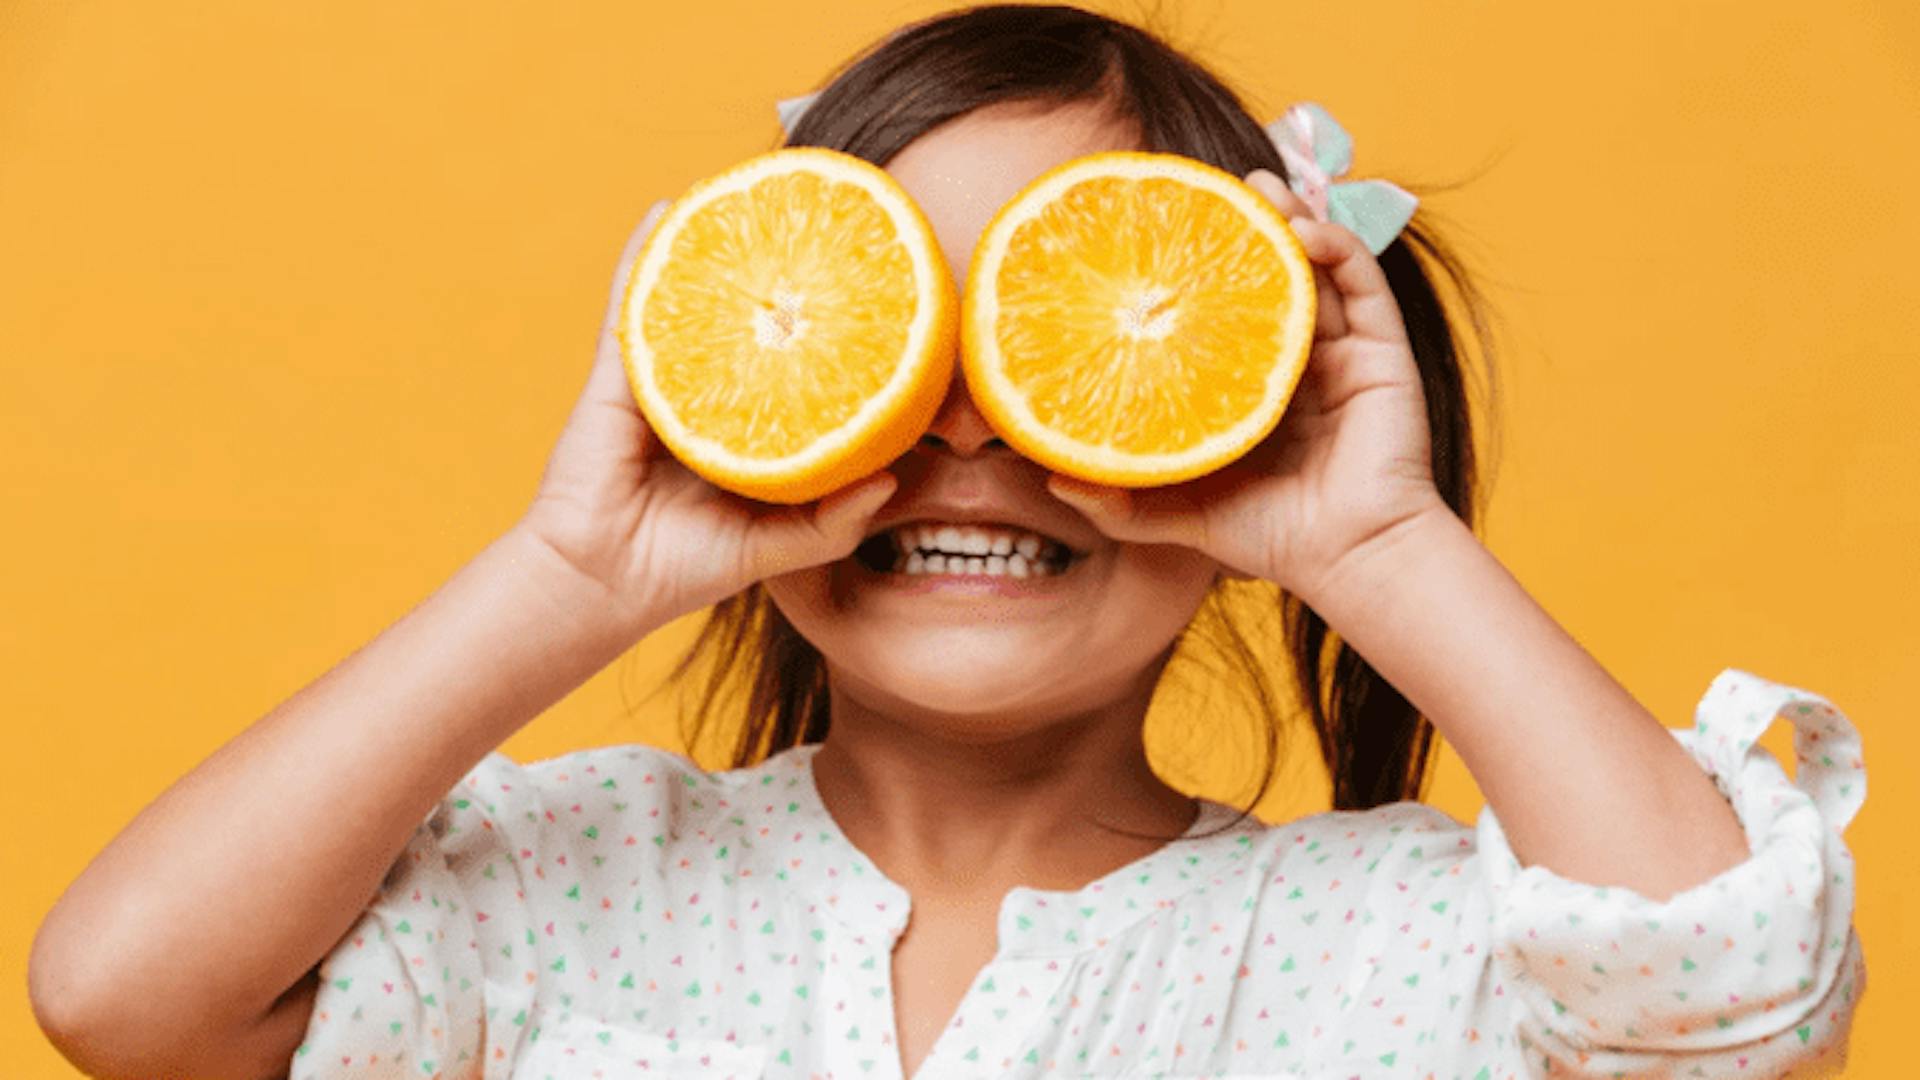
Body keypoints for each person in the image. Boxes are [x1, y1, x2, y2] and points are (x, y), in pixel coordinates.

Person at [29, 5, 1865, 1077]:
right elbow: (124, 1004)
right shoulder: (567, 890)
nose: (972, 424)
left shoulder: (1393, 940)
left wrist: (1374, 536)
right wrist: (573, 574)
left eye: (1069, 352)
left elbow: (1722, 1003)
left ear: (1251, 408)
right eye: (893, 343)